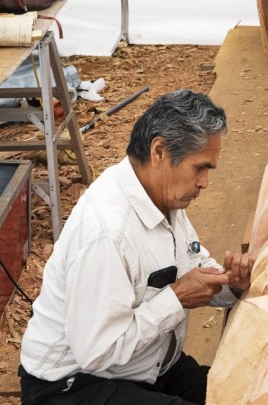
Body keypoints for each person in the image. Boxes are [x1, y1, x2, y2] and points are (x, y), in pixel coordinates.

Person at [19, 89, 255, 405]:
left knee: (241, 393)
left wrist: (233, 285)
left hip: (147, 362)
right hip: (73, 384)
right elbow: (98, 352)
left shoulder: (164, 198)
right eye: (200, 167)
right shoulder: (107, 232)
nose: (204, 183)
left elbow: (195, 267)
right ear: (159, 151)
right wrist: (176, 297)